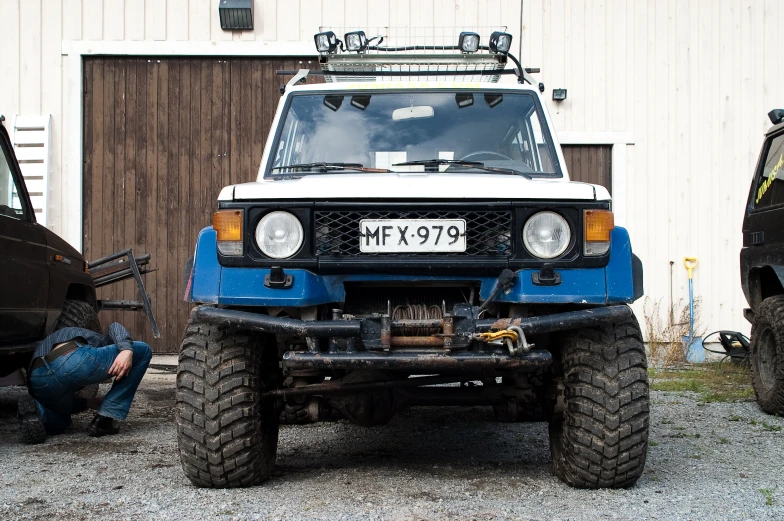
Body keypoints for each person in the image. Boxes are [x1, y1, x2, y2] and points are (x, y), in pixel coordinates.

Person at [17, 322, 152, 444]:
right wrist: (126, 350)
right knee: (143, 350)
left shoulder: (52, 340)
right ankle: (106, 418)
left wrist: (87, 403)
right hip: (70, 358)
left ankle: (38, 413)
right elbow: (114, 326)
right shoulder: (97, 339)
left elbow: (62, 383)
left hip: (38, 378)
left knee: (61, 420)